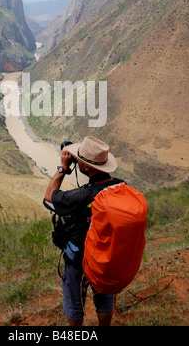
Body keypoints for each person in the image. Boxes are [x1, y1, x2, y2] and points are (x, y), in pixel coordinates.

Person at [44, 136, 120, 327]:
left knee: (74, 302)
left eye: (82, 160)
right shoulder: (120, 186)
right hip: (106, 256)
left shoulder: (82, 195)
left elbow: (48, 198)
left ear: (86, 168)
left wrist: (63, 167)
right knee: (104, 298)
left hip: (79, 257)